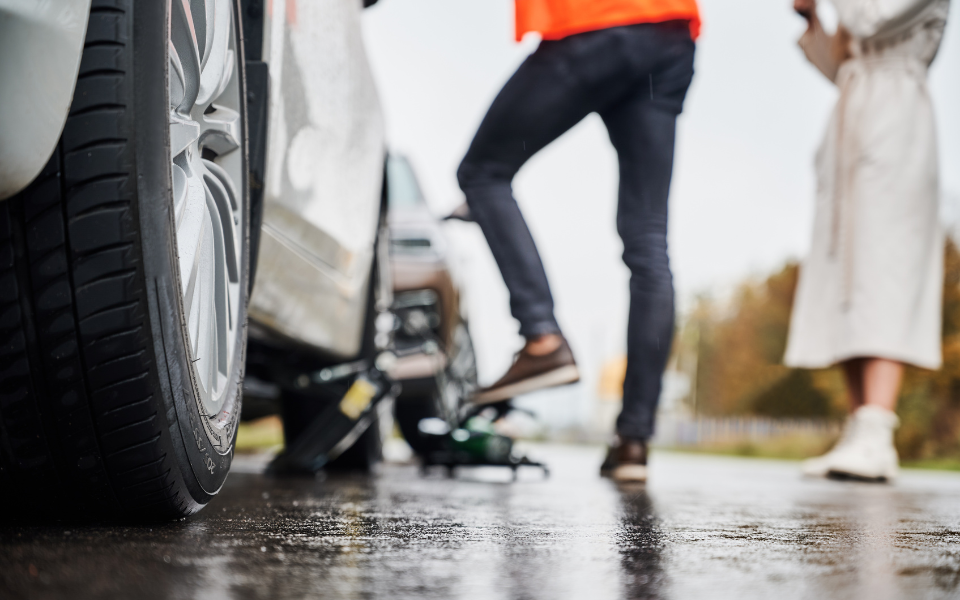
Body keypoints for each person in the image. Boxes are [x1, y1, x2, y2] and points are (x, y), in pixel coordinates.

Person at [456, 0, 700, 482]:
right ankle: (634, 440)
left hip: (591, 23)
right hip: (670, 34)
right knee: (649, 242)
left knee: (483, 173)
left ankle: (542, 336)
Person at [785, 0, 950, 481]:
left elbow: (869, 19)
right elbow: (841, 64)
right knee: (846, 274)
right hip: (852, 118)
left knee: (884, 267)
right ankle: (859, 429)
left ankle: (878, 431)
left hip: (898, 121)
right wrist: (813, 20)